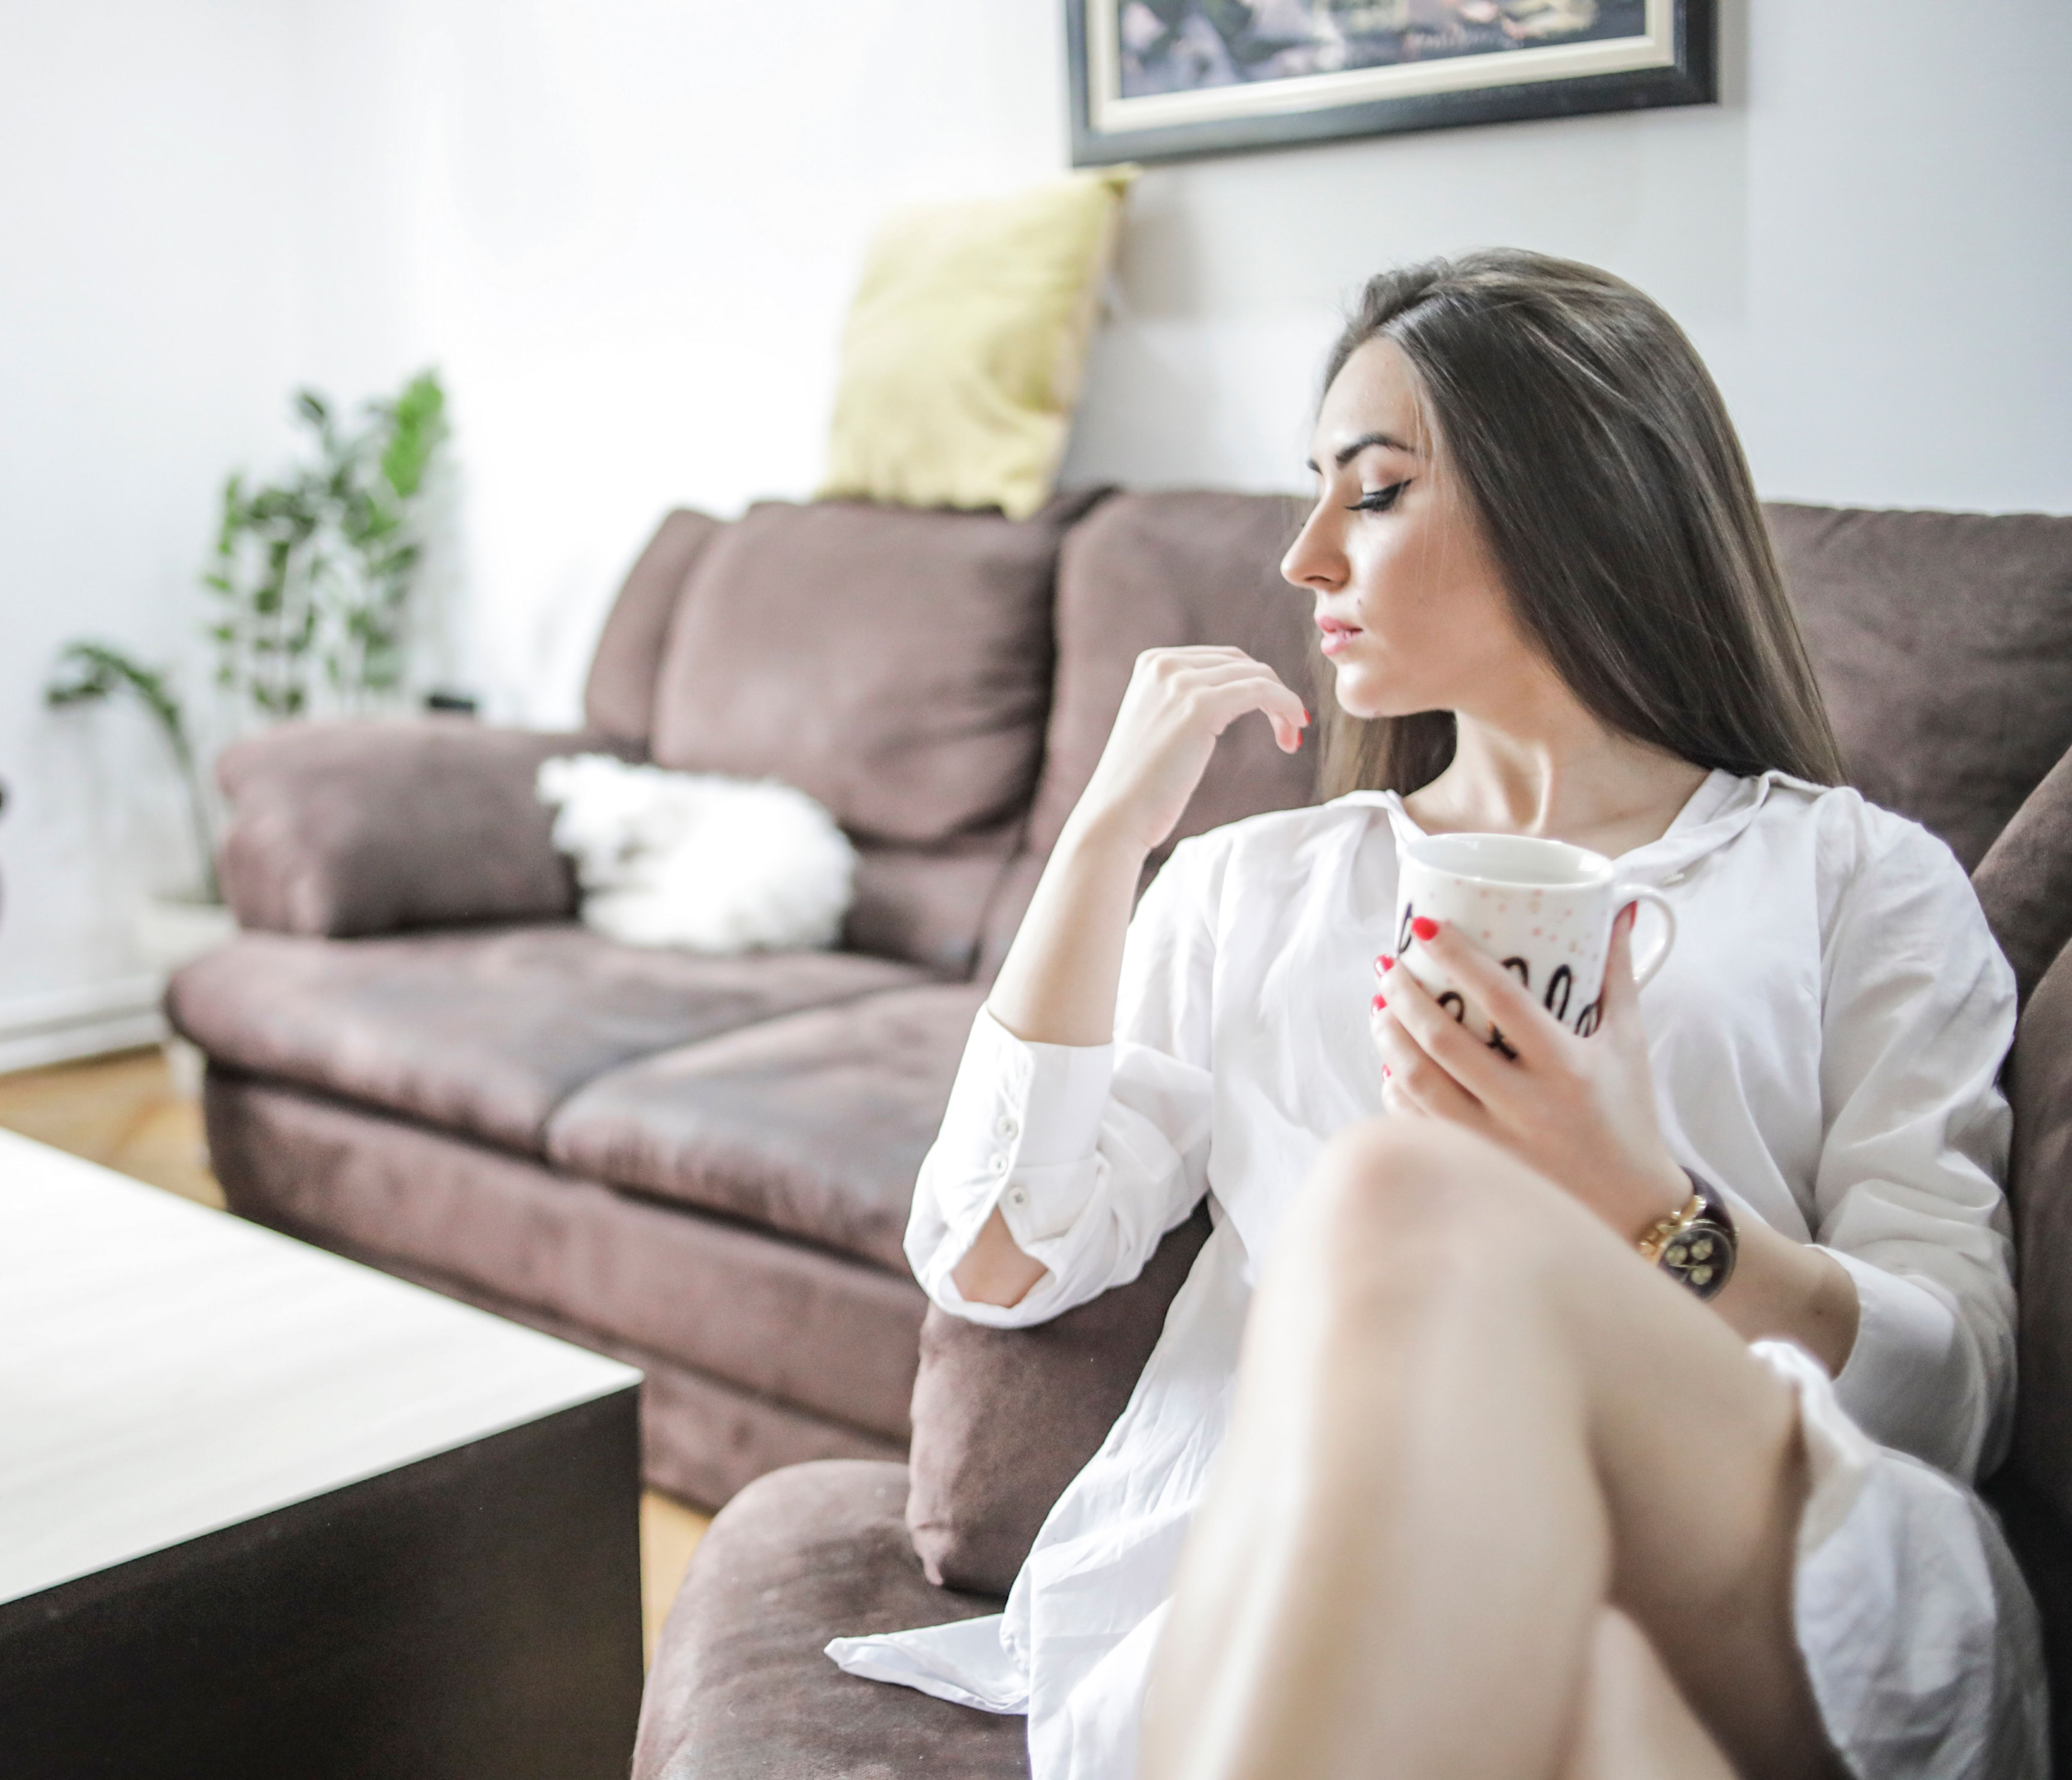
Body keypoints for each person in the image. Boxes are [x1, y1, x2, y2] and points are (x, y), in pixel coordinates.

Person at [826, 250, 2045, 1780]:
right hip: (1332, 1572)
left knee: (1403, 1194)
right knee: (1586, 1678)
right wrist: (1100, 846)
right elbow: (1000, 1258)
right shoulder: (1251, 887)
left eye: (1375, 491)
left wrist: (1649, 1210)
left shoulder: (1857, 879)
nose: (1304, 560)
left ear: (1576, 502)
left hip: (1750, 1551)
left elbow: (1954, 1399)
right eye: (1312, 491)